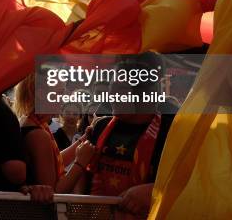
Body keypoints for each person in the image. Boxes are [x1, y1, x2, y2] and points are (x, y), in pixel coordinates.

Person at [84, 53, 174, 218]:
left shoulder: (171, 132)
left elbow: (192, 183)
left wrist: (155, 191)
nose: (110, 96)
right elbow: (81, 181)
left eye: (118, 90)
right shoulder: (100, 127)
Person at [13, 76, 95, 194]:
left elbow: (54, 161)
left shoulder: (31, 121)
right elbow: (54, 192)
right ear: (41, 94)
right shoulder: (38, 135)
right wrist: (80, 162)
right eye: (60, 93)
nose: (64, 98)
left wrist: (83, 140)